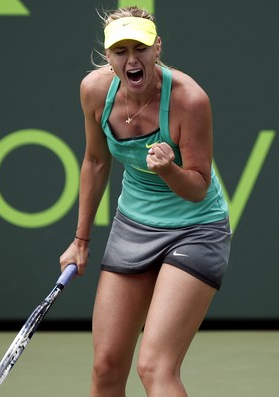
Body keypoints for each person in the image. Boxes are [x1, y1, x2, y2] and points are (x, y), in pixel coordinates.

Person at [60, 6, 231, 397]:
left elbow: (199, 187)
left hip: (196, 230)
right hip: (134, 226)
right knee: (105, 368)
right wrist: (81, 240)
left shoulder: (190, 100)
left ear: (158, 49)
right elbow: (96, 160)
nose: (131, 59)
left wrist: (169, 169)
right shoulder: (94, 91)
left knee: (155, 367)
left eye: (140, 48)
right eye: (121, 51)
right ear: (108, 57)